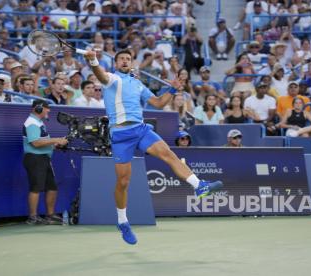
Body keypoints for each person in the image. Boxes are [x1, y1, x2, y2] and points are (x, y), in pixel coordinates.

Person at [83, 49, 223, 245]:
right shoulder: (112, 79)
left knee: (168, 154)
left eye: (128, 59)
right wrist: (93, 61)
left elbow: (158, 103)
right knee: (123, 182)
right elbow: (100, 74)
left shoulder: (138, 84)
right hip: (121, 135)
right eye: (121, 58)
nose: (125, 61)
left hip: (140, 129)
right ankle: (122, 221)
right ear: (116, 64)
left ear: (132, 63)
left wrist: (172, 89)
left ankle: (199, 186)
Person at [22, 99, 69, 225]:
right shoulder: (32, 123)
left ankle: (50, 215)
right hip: (35, 159)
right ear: (38, 109)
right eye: (46, 108)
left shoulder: (38, 122)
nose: (49, 110)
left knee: (52, 187)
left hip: (43, 158)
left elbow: (41, 142)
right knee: (36, 188)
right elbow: (35, 143)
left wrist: (54, 146)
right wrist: (56, 140)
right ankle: (32, 217)